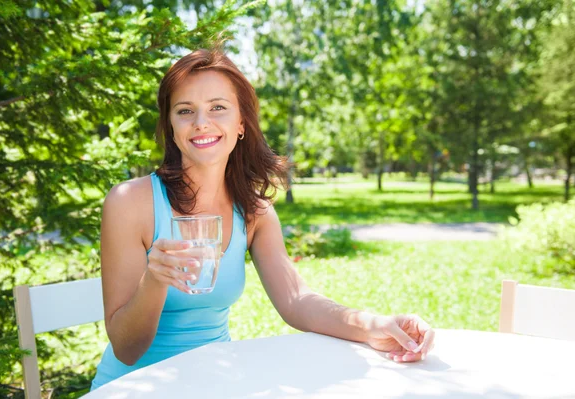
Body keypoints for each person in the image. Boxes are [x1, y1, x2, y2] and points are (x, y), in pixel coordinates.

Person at [90, 48, 435, 389]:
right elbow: (127, 348)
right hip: (133, 388)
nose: (201, 123)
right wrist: (154, 279)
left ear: (241, 124)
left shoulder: (254, 212)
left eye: (218, 108)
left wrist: (374, 325)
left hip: (214, 385)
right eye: (185, 111)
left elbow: (297, 300)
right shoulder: (129, 203)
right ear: (171, 124)